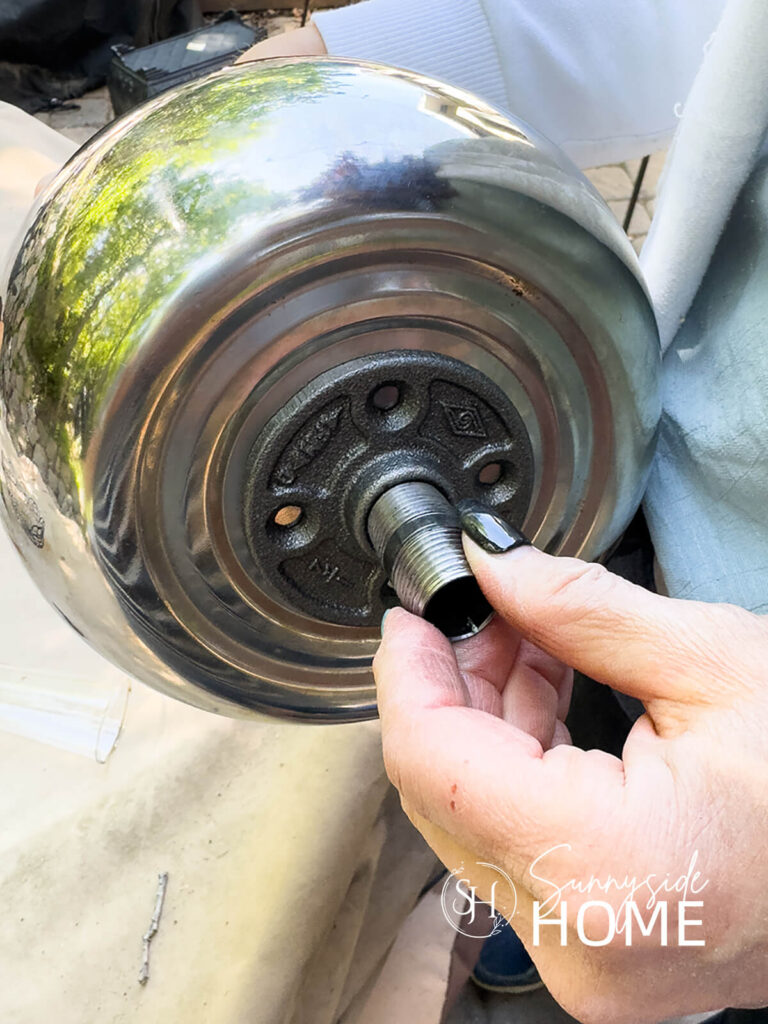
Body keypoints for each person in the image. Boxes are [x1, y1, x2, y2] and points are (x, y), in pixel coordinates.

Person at [239, 1, 768, 1022]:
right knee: (552, 774)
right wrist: (361, 57)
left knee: (667, 942)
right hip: (650, 520)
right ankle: (532, 930)